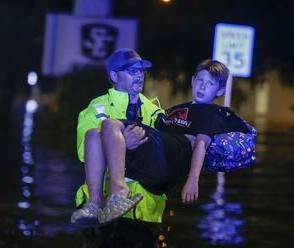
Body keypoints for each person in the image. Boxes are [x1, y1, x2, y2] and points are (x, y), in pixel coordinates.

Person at [71, 59, 256, 224]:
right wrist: (123, 142)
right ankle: (94, 202)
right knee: (93, 135)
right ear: (192, 81)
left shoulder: (212, 114)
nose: (202, 86)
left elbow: (200, 144)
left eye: (210, 83)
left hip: (166, 160)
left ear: (220, 90)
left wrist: (193, 180)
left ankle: (119, 192)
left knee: (110, 124)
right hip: (154, 154)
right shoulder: (177, 109)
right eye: (200, 80)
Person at [73, 48, 167, 224]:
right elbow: (83, 153)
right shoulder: (97, 108)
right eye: (132, 71)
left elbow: (163, 156)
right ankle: (99, 200)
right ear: (114, 76)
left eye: (141, 71)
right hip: (102, 212)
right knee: (94, 134)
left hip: (145, 212)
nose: (139, 76)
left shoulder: (155, 112)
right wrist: (123, 143)